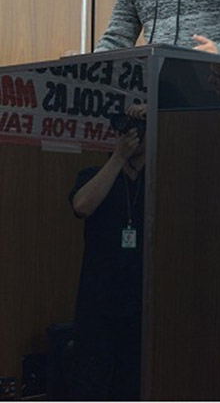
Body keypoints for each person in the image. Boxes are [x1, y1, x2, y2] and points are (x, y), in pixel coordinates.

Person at [66, 105, 146, 400]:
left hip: (141, 307)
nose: (129, 135)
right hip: (98, 307)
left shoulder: (158, 181)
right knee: (92, 387)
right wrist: (118, 158)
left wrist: (153, 113)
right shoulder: (95, 175)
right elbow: (81, 206)